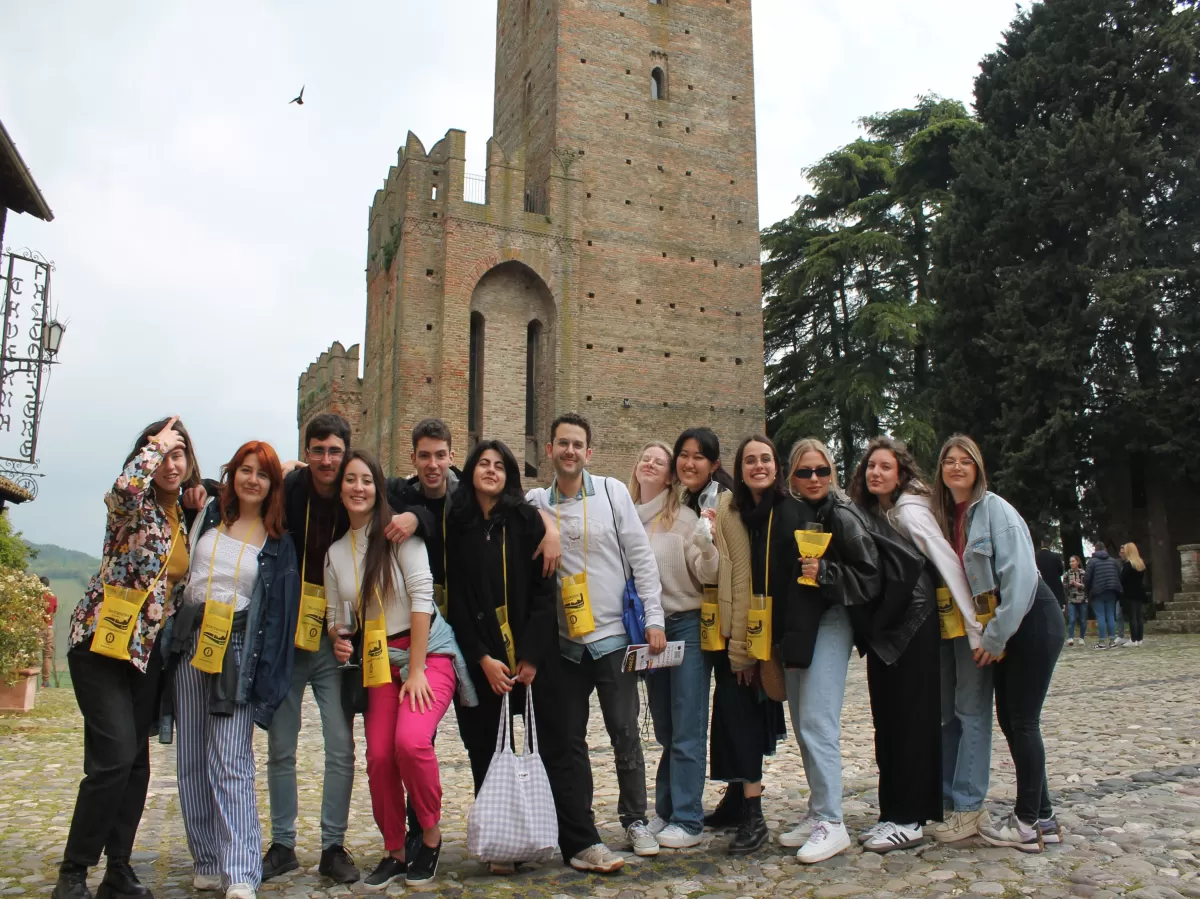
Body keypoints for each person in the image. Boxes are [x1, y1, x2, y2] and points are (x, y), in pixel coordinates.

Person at [263, 414, 434, 885]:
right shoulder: (289, 488)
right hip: (288, 634)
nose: (326, 459)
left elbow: (428, 509)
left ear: (347, 454)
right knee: (282, 745)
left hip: (338, 640)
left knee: (341, 747)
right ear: (307, 452)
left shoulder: (361, 486)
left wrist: (414, 516)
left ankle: (332, 846)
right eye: (317, 449)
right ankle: (282, 844)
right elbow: (242, 493)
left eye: (334, 451)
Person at [55, 416, 200, 899]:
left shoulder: (189, 517)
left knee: (135, 764)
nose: (169, 464)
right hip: (100, 644)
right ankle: (74, 871)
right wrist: (153, 446)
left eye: (178, 454)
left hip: (148, 655)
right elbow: (121, 492)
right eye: (162, 455)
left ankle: (118, 868)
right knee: (113, 758)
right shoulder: (131, 508)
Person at [324, 450, 473, 890]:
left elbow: (423, 599)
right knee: (379, 757)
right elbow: (337, 612)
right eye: (349, 480)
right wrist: (337, 635)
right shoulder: (335, 553)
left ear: (378, 486)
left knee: (410, 743)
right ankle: (393, 850)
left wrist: (418, 670)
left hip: (427, 652)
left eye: (366, 480)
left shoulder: (399, 536)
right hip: (376, 658)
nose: (357, 488)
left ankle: (429, 836)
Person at [524, 413, 666, 872]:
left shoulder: (611, 492)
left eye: (578, 444)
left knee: (625, 730)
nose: (569, 451)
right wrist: (546, 526)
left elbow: (640, 557)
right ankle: (580, 827)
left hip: (610, 635)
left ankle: (635, 818)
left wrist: (654, 618)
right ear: (549, 451)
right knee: (569, 741)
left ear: (590, 452)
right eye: (561, 443)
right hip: (563, 642)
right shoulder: (534, 501)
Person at [162, 442, 299, 899]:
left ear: (272, 485)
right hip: (191, 642)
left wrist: (268, 680)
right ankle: (206, 859)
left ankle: (241, 870)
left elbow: (280, 616)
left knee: (231, 759)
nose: (252, 480)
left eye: (262, 474)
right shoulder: (205, 517)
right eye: (245, 470)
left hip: (239, 649)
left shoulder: (277, 543)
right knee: (191, 760)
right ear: (232, 475)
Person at [934, 435, 1065, 852]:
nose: (956, 467)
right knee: (1012, 720)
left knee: (1023, 722)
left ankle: (1026, 823)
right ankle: (1044, 816)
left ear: (978, 467)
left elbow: (1021, 579)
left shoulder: (996, 511)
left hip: (1030, 619)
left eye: (965, 461)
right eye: (948, 461)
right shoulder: (953, 516)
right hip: (1008, 626)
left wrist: (993, 637)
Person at [446, 440, 558, 875]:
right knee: (483, 750)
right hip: (482, 659)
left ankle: (540, 829)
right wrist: (481, 659)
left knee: (539, 744)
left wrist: (530, 656)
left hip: (528, 659)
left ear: (510, 474)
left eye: (499, 465)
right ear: (472, 470)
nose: (491, 470)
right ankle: (499, 840)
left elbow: (545, 592)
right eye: (483, 464)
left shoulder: (527, 520)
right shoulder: (458, 523)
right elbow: (455, 600)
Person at [778, 438, 879, 863]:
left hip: (832, 620)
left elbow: (869, 574)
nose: (814, 478)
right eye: (805, 472)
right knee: (803, 722)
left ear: (833, 472)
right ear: (793, 477)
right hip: (802, 623)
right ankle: (818, 810)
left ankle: (832, 822)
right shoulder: (801, 510)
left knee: (819, 721)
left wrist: (825, 571)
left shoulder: (840, 511)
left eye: (821, 470)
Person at [847, 437, 944, 853]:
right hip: (888, 627)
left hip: (915, 625)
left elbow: (944, 562)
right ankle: (892, 813)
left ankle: (911, 818)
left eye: (885, 467)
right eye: (871, 466)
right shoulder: (876, 511)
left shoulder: (908, 511)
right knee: (886, 722)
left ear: (900, 473)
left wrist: (976, 625)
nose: (876, 473)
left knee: (910, 722)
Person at [707, 436, 796, 855]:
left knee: (745, 722)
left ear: (776, 466)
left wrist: (749, 650)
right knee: (731, 718)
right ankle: (736, 801)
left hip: (769, 637)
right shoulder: (730, 509)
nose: (758, 466)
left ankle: (754, 816)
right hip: (738, 631)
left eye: (765, 459)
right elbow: (735, 578)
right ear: (739, 468)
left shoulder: (787, 510)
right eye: (750, 460)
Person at [629, 440, 719, 849]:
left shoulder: (683, 519)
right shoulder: (625, 519)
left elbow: (706, 574)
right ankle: (665, 812)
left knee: (687, 726)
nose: (650, 464)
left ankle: (688, 818)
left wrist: (707, 546)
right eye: (645, 458)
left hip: (683, 626)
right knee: (665, 727)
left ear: (669, 477)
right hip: (648, 634)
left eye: (659, 461)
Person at [673, 426, 734, 514]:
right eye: (684, 455)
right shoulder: (684, 496)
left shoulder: (725, 504)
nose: (689, 464)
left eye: (698, 457)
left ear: (714, 465)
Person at [1085, 540, 1123, 650]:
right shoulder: (1113, 561)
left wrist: (1088, 590)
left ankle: (1101, 642)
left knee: (1100, 616)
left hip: (1098, 591)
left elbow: (1087, 578)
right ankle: (1112, 641)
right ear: (1105, 549)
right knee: (1111, 615)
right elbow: (1118, 575)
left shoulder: (1092, 562)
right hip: (1112, 591)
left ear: (1095, 550)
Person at [1119, 543, 1148, 647]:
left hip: (1130, 593)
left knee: (1132, 617)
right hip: (1139, 592)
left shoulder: (1128, 565)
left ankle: (1133, 639)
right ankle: (1139, 639)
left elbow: (1122, 580)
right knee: (1139, 617)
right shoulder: (1140, 564)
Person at [1035, 538, 1066, 610]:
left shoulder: (1035, 556)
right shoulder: (1055, 556)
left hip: (1040, 587)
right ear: (1051, 544)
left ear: (1042, 543)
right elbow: (1061, 571)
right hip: (1054, 588)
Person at [1063, 556, 1087, 646]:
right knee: (1072, 619)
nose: (1071, 563)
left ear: (1077, 562)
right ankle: (1070, 637)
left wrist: (1079, 585)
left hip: (1082, 599)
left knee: (1083, 620)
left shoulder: (1083, 573)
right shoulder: (1068, 573)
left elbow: (1087, 586)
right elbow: (1064, 586)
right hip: (1072, 599)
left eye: (1073, 561)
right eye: (1070, 562)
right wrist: (1070, 584)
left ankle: (1081, 638)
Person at [41, 576, 57, 687]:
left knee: (31, 652)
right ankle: (45, 681)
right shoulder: (53, 597)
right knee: (47, 655)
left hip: (37, 627)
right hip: (49, 628)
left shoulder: (37, 597)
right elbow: (54, 610)